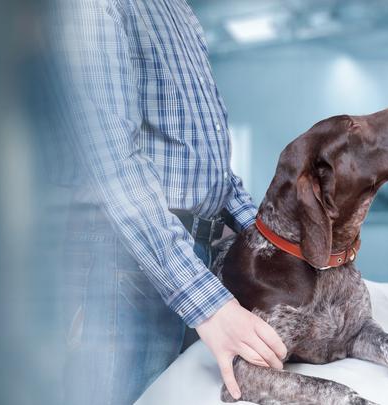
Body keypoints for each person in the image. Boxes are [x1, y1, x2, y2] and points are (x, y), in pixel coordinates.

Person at [46, 0, 286, 403]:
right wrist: (210, 307)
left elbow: (212, 170)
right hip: (127, 258)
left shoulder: (175, 8)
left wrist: (278, 248)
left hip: (192, 255)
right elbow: (115, 165)